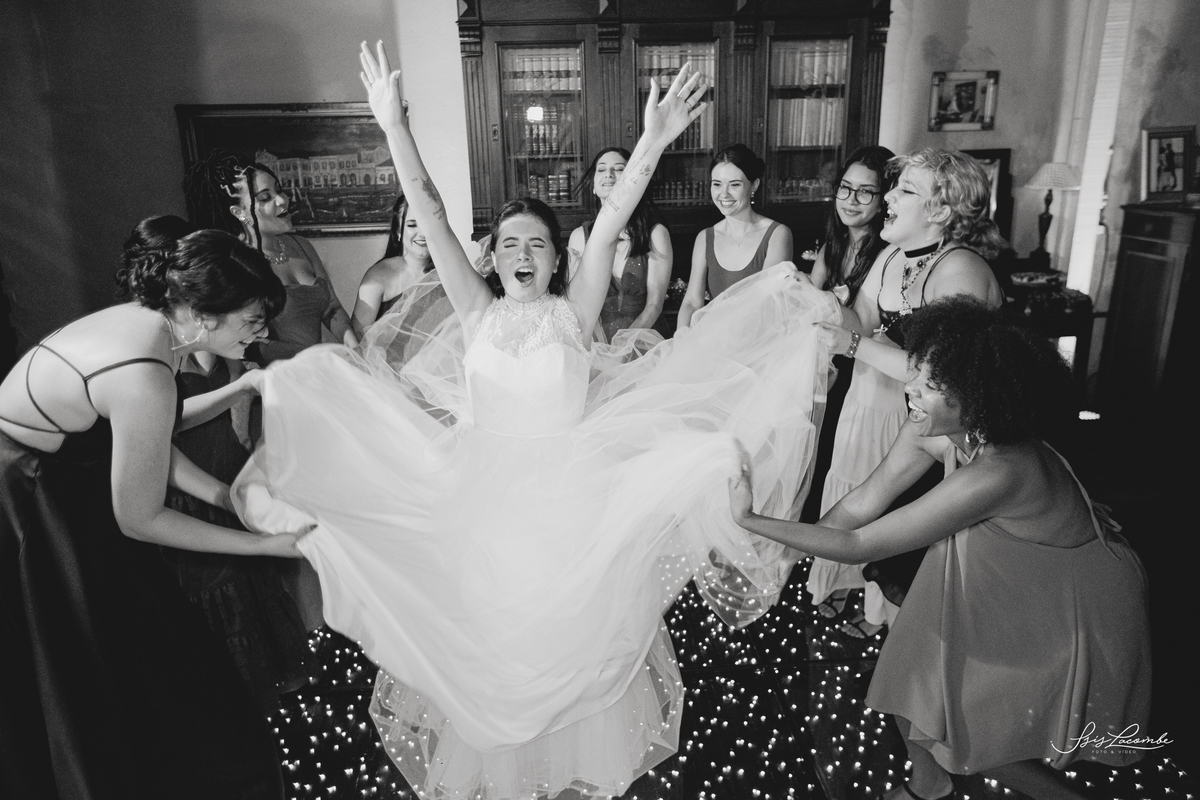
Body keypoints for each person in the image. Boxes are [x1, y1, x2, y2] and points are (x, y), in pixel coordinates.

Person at [231, 41, 840, 800]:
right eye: (510, 244)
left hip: (569, 499)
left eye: (538, 244)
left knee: (571, 644)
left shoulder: (573, 313)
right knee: (496, 647)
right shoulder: (476, 310)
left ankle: (566, 774)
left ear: (558, 259)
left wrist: (652, 140)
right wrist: (392, 127)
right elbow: (429, 211)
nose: (523, 253)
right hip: (482, 499)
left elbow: (612, 218)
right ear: (493, 259)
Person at [730, 297, 1150, 800]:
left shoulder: (1000, 472)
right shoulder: (931, 428)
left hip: (1071, 600)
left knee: (978, 733)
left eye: (930, 385)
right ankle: (928, 785)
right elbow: (862, 504)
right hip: (1011, 573)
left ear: (976, 399)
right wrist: (783, 551)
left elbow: (858, 543)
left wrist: (750, 520)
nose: (910, 387)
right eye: (917, 373)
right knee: (914, 686)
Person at [0, 223, 301, 799]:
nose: (262, 332)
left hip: (63, 480)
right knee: (103, 664)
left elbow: (144, 433)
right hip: (30, 503)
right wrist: (263, 545)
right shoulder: (143, 367)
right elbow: (139, 518)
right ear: (204, 314)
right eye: (252, 319)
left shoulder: (150, 326)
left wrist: (227, 482)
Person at [806, 147, 1005, 638]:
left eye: (904, 190)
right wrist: (816, 302)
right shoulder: (892, 255)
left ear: (940, 211)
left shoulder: (960, 270)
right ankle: (881, 624)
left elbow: (934, 375)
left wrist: (852, 345)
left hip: (954, 434)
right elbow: (863, 320)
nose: (888, 197)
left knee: (919, 552)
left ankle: (910, 646)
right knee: (876, 508)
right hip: (901, 416)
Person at [121, 218, 314, 711]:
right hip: (173, 497)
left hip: (222, 475)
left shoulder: (213, 345)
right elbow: (156, 445)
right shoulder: (150, 358)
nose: (261, 330)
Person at [184, 149, 360, 362]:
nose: (282, 200)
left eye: (279, 190)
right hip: (268, 372)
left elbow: (332, 309)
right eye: (265, 198)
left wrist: (357, 350)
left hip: (314, 367)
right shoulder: (234, 262)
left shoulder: (302, 246)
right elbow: (230, 339)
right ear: (239, 213)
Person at [676, 143, 793, 328]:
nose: (724, 194)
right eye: (717, 184)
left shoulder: (777, 234)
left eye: (735, 185)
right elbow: (691, 302)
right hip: (712, 336)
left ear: (754, 185)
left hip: (758, 339)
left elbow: (766, 303)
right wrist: (680, 338)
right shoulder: (705, 238)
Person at [567, 146, 673, 340]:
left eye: (619, 169)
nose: (609, 174)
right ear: (593, 186)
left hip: (644, 339)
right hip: (595, 341)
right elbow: (577, 305)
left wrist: (623, 345)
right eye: (601, 169)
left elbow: (654, 305)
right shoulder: (579, 237)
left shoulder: (656, 234)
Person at [350, 193, 438, 338]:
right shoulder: (378, 275)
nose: (422, 233)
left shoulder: (448, 274)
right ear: (398, 231)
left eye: (426, 223)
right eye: (412, 225)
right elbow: (357, 337)